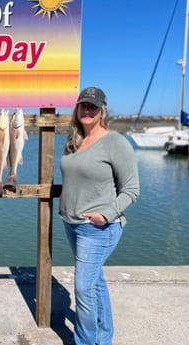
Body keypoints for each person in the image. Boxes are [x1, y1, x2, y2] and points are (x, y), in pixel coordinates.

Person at [59, 87, 140, 345]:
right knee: (94, 282)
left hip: (97, 228)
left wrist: (105, 215)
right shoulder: (74, 141)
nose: (87, 110)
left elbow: (132, 190)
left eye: (93, 106)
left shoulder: (115, 142)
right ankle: (104, 338)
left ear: (102, 110)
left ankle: (84, 341)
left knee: (83, 288)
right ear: (77, 109)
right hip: (72, 224)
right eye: (83, 105)